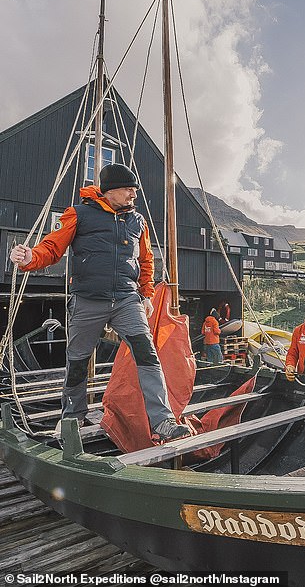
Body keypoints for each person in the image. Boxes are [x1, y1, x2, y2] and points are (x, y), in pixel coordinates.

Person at [9, 164, 192, 441]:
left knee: (147, 353)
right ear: (110, 191)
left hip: (127, 299)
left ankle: (162, 420)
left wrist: (146, 295)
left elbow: (145, 261)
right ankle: (72, 417)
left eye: (134, 189)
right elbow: (52, 247)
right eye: (129, 188)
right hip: (87, 301)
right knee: (78, 360)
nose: (134, 193)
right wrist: (28, 258)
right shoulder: (78, 214)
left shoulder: (137, 221)